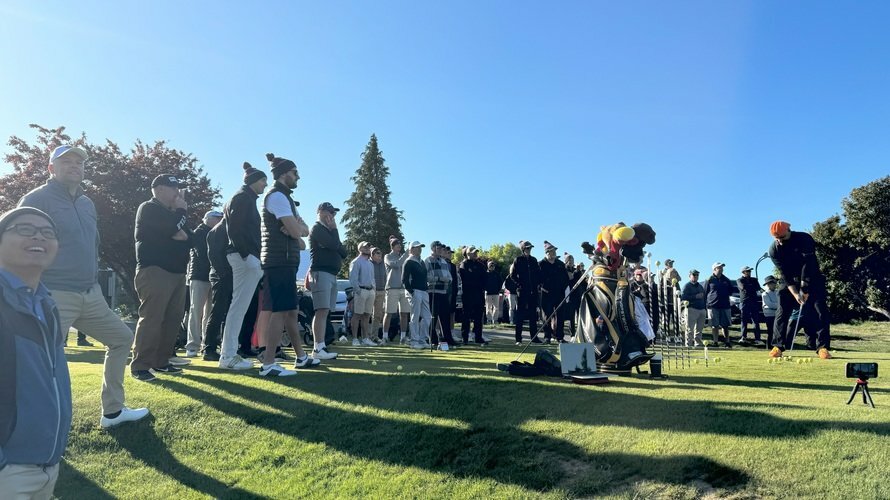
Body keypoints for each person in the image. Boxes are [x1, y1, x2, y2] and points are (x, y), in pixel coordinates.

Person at [18, 145, 148, 426]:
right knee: (40, 358)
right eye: (66, 161)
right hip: (53, 293)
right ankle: (29, 428)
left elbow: (93, 243)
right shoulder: (36, 199)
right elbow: (18, 245)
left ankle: (113, 412)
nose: (74, 166)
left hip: (91, 294)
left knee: (121, 338)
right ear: (51, 168)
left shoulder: (87, 203)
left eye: (79, 162)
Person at [0, 207, 71, 498]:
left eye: (47, 232)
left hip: (47, 466)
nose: (39, 237)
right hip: (8, 471)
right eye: (25, 229)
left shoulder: (45, 303)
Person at [258, 153, 319, 376]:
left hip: (286, 261)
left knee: (291, 311)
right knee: (280, 311)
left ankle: (301, 357)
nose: (298, 177)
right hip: (278, 261)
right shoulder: (277, 196)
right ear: (284, 174)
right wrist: (296, 230)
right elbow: (296, 230)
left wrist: (297, 230)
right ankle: (268, 364)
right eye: (295, 173)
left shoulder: (286, 198)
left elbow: (304, 231)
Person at [131, 174, 192, 381]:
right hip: (155, 270)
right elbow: (171, 229)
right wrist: (181, 213)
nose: (177, 192)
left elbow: (189, 238)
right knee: (152, 318)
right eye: (172, 188)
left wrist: (177, 225)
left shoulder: (172, 213)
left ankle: (161, 361)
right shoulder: (149, 208)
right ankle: (140, 365)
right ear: (159, 189)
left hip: (177, 273)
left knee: (173, 319)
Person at [218, 162, 268, 371]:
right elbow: (235, 230)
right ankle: (228, 355)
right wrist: (247, 255)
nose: (265, 184)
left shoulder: (245, 198)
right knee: (238, 307)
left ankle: (229, 353)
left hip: (244, 256)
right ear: (253, 181)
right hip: (243, 256)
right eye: (263, 180)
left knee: (239, 307)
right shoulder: (242, 198)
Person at [767, 221, 832, 359]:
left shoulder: (804, 239)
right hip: (789, 281)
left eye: (782, 237)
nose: (780, 241)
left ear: (789, 230)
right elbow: (784, 274)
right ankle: (778, 346)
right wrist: (796, 293)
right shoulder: (774, 249)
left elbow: (808, 265)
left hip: (813, 277)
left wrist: (804, 289)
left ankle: (822, 347)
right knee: (782, 311)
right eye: (777, 238)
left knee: (821, 311)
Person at [306, 202, 344, 360]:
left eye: (334, 213)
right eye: (330, 212)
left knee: (326, 311)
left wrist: (334, 236)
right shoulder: (317, 228)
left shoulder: (329, 231)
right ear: (321, 212)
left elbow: (343, 251)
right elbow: (334, 245)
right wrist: (334, 230)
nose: (332, 216)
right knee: (321, 310)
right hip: (320, 273)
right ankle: (318, 347)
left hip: (331, 274)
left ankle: (321, 346)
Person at [184, 210, 223, 358]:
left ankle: (206, 344)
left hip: (213, 276)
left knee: (209, 313)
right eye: (217, 218)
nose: (219, 221)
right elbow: (203, 253)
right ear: (208, 219)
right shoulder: (199, 233)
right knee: (196, 311)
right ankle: (192, 345)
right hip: (199, 276)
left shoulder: (216, 233)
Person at [509, 240, 542, 344]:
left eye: (530, 248)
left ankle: (534, 337)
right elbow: (512, 275)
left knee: (533, 315)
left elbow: (538, 274)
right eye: (527, 248)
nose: (529, 250)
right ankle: (518, 338)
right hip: (522, 292)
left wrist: (538, 283)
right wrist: (520, 284)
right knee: (520, 315)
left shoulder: (534, 260)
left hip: (533, 291)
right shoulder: (518, 260)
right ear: (523, 249)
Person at [426, 241, 455, 347]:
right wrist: (439, 279)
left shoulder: (443, 261)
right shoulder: (428, 260)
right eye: (438, 248)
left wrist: (447, 280)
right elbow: (427, 277)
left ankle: (448, 339)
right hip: (433, 292)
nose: (440, 251)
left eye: (441, 249)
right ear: (433, 249)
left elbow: (449, 277)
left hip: (443, 292)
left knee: (445, 317)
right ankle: (433, 339)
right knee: (433, 317)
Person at [402, 241, 431, 349]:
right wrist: (412, 292)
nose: (420, 249)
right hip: (414, 291)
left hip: (424, 291)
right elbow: (404, 280)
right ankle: (414, 341)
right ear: (411, 249)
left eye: (420, 247)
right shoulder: (408, 262)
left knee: (427, 317)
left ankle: (423, 339)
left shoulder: (421, 262)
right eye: (417, 247)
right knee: (415, 316)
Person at [539, 241, 569, 343]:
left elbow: (565, 278)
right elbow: (537, 279)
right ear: (547, 252)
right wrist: (542, 287)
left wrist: (563, 289)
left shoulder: (560, 264)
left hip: (559, 293)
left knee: (560, 316)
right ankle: (547, 336)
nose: (554, 253)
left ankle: (559, 336)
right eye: (552, 251)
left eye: (554, 251)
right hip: (546, 293)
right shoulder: (541, 264)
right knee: (547, 316)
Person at [383, 236, 410, 343]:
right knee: (389, 313)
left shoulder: (403, 256)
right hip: (392, 288)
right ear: (392, 246)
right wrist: (405, 255)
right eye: (397, 244)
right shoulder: (388, 256)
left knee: (404, 313)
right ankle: (385, 337)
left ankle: (403, 337)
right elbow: (396, 265)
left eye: (400, 244)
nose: (399, 246)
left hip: (403, 288)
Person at [348, 241, 376, 346]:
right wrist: (358, 290)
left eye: (368, 247)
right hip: (361, 290)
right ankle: (355, 339)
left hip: (370, 291)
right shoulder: (356, 262)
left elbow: (372, 278)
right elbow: (353, 278)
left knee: (367, 315)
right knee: (357, 315)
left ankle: (365, 338)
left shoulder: (370, 263)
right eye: (365, 247)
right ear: (360, 249)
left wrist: (373, 289)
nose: (368, 248)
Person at [458, 246, 487, 345]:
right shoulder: (464, 264)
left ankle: (478, 337)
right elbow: (465, 279)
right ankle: (465, 337)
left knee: (478, 317)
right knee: (466, 317)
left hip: (479, 294)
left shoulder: (480, 265)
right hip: (468, 294)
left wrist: (481, 287)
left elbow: (484, 278)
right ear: (468, 254)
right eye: (473, 252)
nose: (475, 254)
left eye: (476, 252)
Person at [704, 262, 733, 348]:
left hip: (725, 306)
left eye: (722, 267)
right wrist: (706, 305)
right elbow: (705, 292)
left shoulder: (726, 279)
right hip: (713, 306)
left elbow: (730, 291)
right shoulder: (709, 279)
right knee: (714, 325)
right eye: (719, 267)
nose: (721, 269)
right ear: (714, 269)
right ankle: (715, 342)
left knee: (725, 326)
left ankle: (727, 342)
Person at [737, 265, 764, 346]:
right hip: (744, 302)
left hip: (754, 302)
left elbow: (758, 288)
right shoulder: (740, 280)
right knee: (744, 320)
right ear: (743, 272)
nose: (749, 272)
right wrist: (752, 286)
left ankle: (757, 339)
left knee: (756, 321)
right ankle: (743, 337)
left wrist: (751, 286)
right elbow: (744, 288)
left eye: (750, 271)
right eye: (747, 271)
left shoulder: (754, 280)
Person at [680, 269, 706, 347]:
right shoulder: (687, 286)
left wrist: (704, 308)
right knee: (689, 329)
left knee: (699, 329)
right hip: (691, 309)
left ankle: (698, 343)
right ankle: (688, 344)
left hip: (701, 309)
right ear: (689, 276)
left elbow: (704, 297)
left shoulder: (700, 286)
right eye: (694, 275)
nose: (696, 276)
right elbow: (683, 297)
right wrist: (695, 296)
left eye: (697, 275)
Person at [370, 247, 387, 341]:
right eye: (377, 253)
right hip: (371, 290)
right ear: (372, 255)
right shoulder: (369, 263)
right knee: (365, 314)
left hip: (381, 291)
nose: (379, 254)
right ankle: (365, 336)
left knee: (377, 315)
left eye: (380, 253)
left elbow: (386, 276)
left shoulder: (383, 264)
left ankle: (374, 336)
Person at [761, 275, 779, 350]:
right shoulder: (765, 294)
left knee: (777, 332)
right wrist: (779, 306)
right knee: (771, 331)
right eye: (773, 283)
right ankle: (769, 347)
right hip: (769, 315)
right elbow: (770, 304)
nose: (775, 284)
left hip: (777, 314)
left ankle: (776, 346)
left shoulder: (777, 292)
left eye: (775, 283)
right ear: (768, 284)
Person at [483, 260, 502, 325]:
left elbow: (500, 283)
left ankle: (495, 320)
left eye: (493, 265)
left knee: (496, 307)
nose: (492, 266)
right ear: (488, 266)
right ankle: (489, 320)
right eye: (490, 265)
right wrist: (486, 289)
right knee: (488, 307)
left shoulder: (497, 274)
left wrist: (498, 290)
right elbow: (483, 283)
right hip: (488, 293)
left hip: (496, 293)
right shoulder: (485, 274)